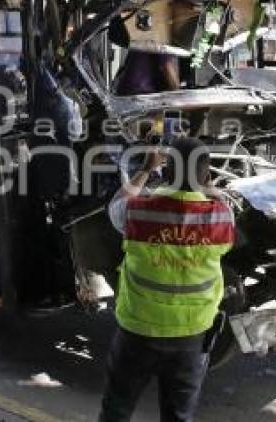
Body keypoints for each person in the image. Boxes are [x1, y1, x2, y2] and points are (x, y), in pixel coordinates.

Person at [100, 137, 235, 422]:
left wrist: (146, 170)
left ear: (167, 172)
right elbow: (224, 204)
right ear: (207, 175)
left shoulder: (137, 211)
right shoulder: (220, 218)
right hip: (191, 336)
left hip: (137, 331)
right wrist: (208, 187)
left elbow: (116, 205)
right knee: (177, 416)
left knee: (116, 410)